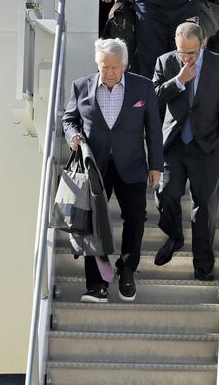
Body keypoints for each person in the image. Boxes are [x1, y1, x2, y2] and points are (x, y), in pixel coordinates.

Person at [62, 38, 163, 302]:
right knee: (92, 225)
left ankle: (127, 271)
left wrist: (156, 166)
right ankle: (97, 285)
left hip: (132, 165)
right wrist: (72, 135)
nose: (109, 73)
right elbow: (69, 118)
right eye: (105, 67)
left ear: (125, 65)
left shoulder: (143, 87)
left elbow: (153, 129)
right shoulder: (81, 86)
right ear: (98, 64)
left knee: (135, 220)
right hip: (95, 166)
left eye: (115, 67)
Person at [151, 23, 219, 280]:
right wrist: (178, 81)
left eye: (192, 53)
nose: (187, 58)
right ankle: (175, 236)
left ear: (203, 43)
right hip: (174, 144)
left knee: (204, 208)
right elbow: (153, 98)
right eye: (182, 53)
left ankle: (203, 265)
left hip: (207, 145)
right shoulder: (165, 62)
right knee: (166, 193)